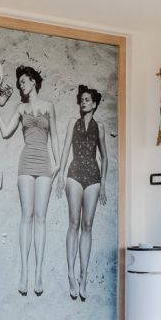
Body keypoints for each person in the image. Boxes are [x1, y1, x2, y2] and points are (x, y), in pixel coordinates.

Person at [0, 64, 58, 297]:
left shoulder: (48, 106)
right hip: (26, 161)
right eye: (19, 82)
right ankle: (24, 271)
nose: (21, 85)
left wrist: (58, 164)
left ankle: (38, 272)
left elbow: (55, 137)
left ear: (33, 81)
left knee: (41, 217)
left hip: (44, 161)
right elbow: (5, 131)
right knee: (27, 216)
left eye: (23, 81)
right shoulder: (21, 108)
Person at [56, 85, 109, 301]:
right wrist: (61, 174)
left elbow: (104, 157)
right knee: (74, 223)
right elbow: (65, 148)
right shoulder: (73, 123)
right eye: (81, 100)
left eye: (87, 100)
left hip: (93, 177)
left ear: (94, 104)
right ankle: (71, 273)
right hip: (75, 173)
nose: (83, 102)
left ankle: (83, 276)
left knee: (88, 225)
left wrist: (103, 183)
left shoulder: (100, 127)